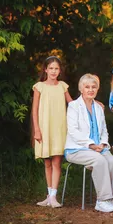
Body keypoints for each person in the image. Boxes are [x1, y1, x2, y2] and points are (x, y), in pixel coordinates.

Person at [65, 74, 113, 213]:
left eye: (93, 87)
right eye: (87, 87)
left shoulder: (98, 107)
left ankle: (109, 199)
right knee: (100, 161)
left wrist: (102, 144)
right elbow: (73, 131)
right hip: (77, 149)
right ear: (81, 89)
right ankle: (102, 201)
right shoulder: (73, 106)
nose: (91, 89)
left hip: (98, 149)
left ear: (97, 89)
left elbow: (104, 130)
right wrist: (90, 145)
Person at [32, 56, 73, 208]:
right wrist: (37, 129)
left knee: (57, 162)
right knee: (47, 163)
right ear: (45, 70)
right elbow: (34, 110)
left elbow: (73, 104)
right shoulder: (39, 87)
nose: (54, 71)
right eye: (51, 68)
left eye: (56, 68)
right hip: (44, 128)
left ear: (59, 70)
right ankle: (48, 196)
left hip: (59, 128)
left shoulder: (63, 86)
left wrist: (93, 102)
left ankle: (54, 196)